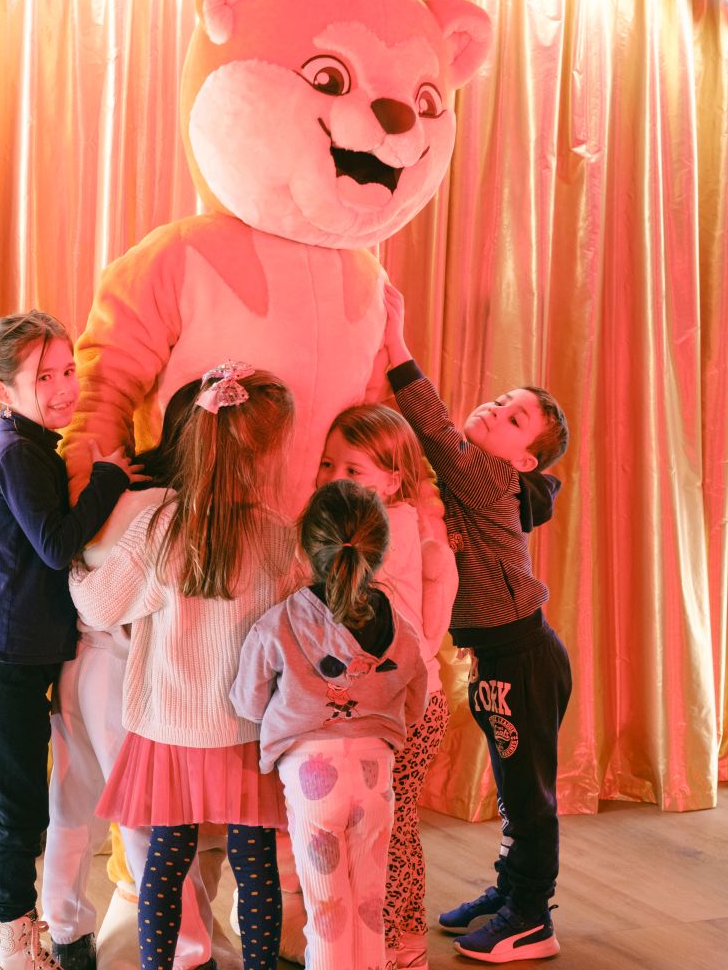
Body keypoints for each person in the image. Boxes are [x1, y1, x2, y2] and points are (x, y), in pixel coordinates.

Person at [69, 362, 298, 970]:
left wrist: (75, 565)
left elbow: (97, 605)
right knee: (255, 867)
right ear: (265, 454)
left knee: (165, 866)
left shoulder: (160, 527)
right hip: (245, 730)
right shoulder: (281, 537)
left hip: (169, 726)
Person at [382, 287, 573, 964]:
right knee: (512, 785)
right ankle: (511, 890)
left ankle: (532, 917)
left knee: (529, 794)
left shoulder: (489, 478)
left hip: (523, 657)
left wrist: (397, 347)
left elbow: (437, 434)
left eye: (514, 418)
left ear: (522, 461)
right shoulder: (482, 479)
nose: (495, 408)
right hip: (500, 655)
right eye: (500, 400)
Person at [0, 311, 143, 970]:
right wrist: (110, 480)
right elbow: (58, 545)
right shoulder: (20, 455)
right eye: (44, 377)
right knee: (16, 815)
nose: (64, 388)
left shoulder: (32, 449)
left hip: (6, 658)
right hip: (6, 663)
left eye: (67, 370)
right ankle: (14, 951)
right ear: (4, 390)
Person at [41, 378, 220, 970]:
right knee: (150, 820)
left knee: (73, 805)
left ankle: (66, 932)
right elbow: (115, 600)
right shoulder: (169, 511)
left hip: (75, 663)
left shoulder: (124, 487)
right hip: (124, 672)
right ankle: (188, 950)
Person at [232, 480, 428, 970]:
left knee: (327, 913)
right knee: (368, 905)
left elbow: (248, 702)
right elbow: (416, 701)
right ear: (380, 553)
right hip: (375, 772)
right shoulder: (400, 627)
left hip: (311, 776)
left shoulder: (279, 622)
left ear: (306, 547)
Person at [315, 405, 458, 969]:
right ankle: (395, 936)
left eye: (353, 470)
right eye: (327, 464)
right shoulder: (403, 522)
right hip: (411, 700)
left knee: (388, 829)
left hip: (405, 708)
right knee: (391, 825)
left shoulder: (382, 531)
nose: (334, 479)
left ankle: (398, 942)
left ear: (394, 480)